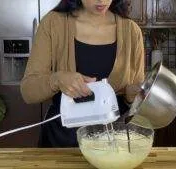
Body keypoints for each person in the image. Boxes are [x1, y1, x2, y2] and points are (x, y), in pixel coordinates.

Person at [20, 0, 144, 148]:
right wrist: (57, 79)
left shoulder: (132, 31)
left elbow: (138, 107)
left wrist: (131, 97)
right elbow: (28, 91)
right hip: (61, 143)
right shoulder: (53, 24)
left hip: (113, 145)